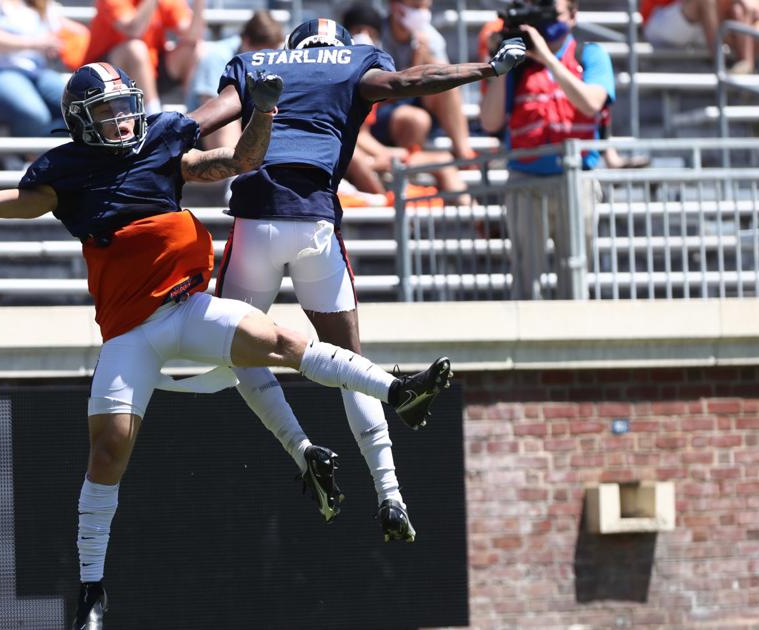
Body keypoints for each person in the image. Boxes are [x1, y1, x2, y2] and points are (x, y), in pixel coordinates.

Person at [0, 62, 455, 630]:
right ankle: (92, 589)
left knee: (279, 337)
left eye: (125, 107)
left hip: (188, 306)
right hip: (131, 332)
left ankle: (398, 389)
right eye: (109, 111)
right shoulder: (66, 172)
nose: (123, 121)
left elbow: (241, 160)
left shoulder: (161, 143)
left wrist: (265, 113)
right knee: (110, 449)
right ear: (82, 120)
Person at [187, 19, 524, 542]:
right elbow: (411, 83)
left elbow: (202, 121)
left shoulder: (261, 62)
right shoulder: (352, 62)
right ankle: (390, 493)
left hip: (255, 222)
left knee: (242, 356)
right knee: (351, 363)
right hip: (315, 223)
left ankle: (304, 451)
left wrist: (140, 144)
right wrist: (484, 69)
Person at [478, 0, 614, 300]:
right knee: (528, 282)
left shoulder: (589, 54)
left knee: (575, 275)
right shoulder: (517, 64)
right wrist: (498, 65)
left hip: (577, 182)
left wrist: (548, 58)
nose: (543, 20)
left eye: (551, 13)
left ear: (573, 16)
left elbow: (592, 103)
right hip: (526, 182)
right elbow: (490, 121)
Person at [372, 0, 478, 163]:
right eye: (416, 7)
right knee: (416, 120)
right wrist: (415, 63)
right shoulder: (377, 37)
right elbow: (380, 92)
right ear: (396, 7)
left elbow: (443, 77)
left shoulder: (430, 36)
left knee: (446, 84)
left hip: (417, 100)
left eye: (426, 8)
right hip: (383, 108)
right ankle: (406, 174)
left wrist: (425, 56)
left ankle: (464, 154)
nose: (422, 13)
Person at [0, 0, 79, 137]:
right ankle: (25, 155)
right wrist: (37, 43)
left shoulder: (40, 3)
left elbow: (71, 30)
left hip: (35, 72)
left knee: (80, 107)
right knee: (34, 114)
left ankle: (48, 152)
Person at [83, 0, 203, 115]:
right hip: (103, 75)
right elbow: (134, 30)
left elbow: (192, 36)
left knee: (192, 50)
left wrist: (199, 2)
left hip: (150, 71)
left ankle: (196, 119)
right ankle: (153, 118)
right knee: (136, 48)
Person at [185, 10, 284, 150]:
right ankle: (235, 172)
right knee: (226, 117)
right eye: (263, 54)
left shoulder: (280, 57)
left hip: (251, 129)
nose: (268, 60)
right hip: (205, 140)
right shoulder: (217, 57)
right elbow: (213, 113)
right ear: (246, 41)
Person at [641, 0, 758, 74]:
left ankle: (746, 67)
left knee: (741, 7)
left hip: (703, 23)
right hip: (658, 19)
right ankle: (721, 69)